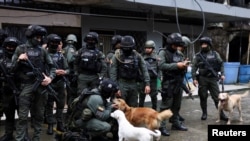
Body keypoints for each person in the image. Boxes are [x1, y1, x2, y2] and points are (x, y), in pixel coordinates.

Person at [11, 24, 56, 141]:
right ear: (30, 36)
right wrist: (18, 60)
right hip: (25, 86)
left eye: (41, 37)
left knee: (39, 115)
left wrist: (50, 78)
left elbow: (52, 67)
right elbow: (11, 69)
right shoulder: (20, 49)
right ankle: (20, 138)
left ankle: (37, 138)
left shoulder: (43, 51)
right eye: (37, 37)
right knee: (23, 116)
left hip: (41, 86)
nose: (39, 40)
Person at [158, 33, 189, 136]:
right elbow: (161, 65)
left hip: (178, 83)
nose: (176, 47)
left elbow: (182, 65)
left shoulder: (179, 54)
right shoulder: (163, 53)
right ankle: (161, 126)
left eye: (178, 45)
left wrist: (184, 65)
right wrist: (177, 65)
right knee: (166, 106)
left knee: (176, 105)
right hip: (168, 84)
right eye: (175, 45)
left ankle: (175, 123)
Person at [191, 36, 228, 121]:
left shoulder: (215, 54)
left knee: (217, 97)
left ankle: (221, 114)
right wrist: (194, 78)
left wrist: (222, 74)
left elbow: (221, 63)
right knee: (203, 96)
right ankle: (204, 113)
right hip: (202, 79)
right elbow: (194, 67)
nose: (203, 45)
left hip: (212, 79)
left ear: (209, 44)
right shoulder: (198, 56)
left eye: (205, 44)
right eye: (202, 44)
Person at [110, 35, 150, 107]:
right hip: (121, 83)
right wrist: (116, 88)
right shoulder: (117, 56)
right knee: (119, 107)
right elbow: (113, 73)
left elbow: (144, 70)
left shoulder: (137, 56)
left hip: (133, 83)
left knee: (133, 107)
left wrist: (147, 84)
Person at [45, 34, 69, 135]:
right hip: (49, 84)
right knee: (49, 105)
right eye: (53, 43)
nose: (55, 45)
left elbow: (68, 69)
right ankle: (50, 125)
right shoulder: (44, 55)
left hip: (60, 83)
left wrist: (64, 72)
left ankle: (60, 123)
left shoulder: (61, 56)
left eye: (56, 43)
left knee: (60, 105)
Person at [0, 37, 20, 141]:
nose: (11, 48)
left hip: (19, 91)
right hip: (7, 92)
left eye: (13, 46)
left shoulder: (20, 60)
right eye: (9, 46)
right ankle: (8, 134)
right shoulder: (1, 61)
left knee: (22, 116)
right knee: (9, 115)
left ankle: (23, 135)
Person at [138, 40, 159, 110]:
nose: (147, 49)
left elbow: (159, 68)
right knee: (141, 96)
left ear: (153, 48)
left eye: (149, 48)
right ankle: (140, 111)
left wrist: (160, 77)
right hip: (143, 80)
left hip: (153, 80)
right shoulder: (141, 57)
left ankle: (154, 110)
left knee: (154, 96)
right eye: (146, 48)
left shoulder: (157, 57)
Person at [62, 34, 78, 121]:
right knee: (71, 95)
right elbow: (70, 59)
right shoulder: (71, 49)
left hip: (64, 73)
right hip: (69, 75)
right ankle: (69, 115)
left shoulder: (64, 49)